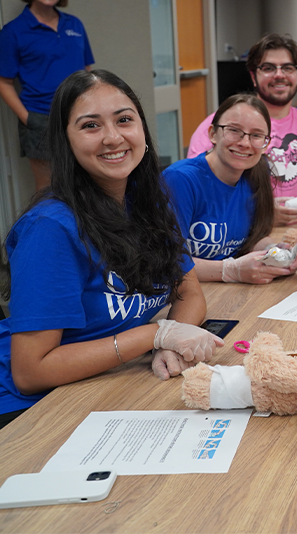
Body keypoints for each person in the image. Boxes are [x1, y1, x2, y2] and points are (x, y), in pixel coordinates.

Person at [0, 70, 222, 428]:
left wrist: (169, 342)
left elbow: (189, 290)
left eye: (124, 120)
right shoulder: (51, 228)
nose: (113, 137)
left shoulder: (147, 202)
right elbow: (30, 371)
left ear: (143, 132)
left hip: (111, 379)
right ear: (65, 141)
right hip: (32, 409)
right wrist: (154, 334)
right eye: (91, 126)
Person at [187, 33, 297, 225]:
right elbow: (200, 189)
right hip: (235, 236)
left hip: (292, 233)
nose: (279, 75)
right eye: (268, 68)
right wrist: (260, 212)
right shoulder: (223, 125)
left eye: (288, 68)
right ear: (253, 76)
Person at [163, 94, 297, 284]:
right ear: (213, 133)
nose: (245, 143)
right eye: (234, 130)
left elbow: (249, 239)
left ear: (265, 144)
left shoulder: (255, 174)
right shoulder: (180, 179)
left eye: (256, 135)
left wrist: (273, 250)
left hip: (229, 293)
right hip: (183, 292)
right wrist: (229, 271)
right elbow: (166, 261)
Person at [0, 0, 95, 191]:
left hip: (80, 115)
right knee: (50, 187)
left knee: (88, 180)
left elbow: (87, 70)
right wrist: (27, 118)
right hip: (41, 118)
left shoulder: (74, 25)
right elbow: (4, 82)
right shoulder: (14, 31)